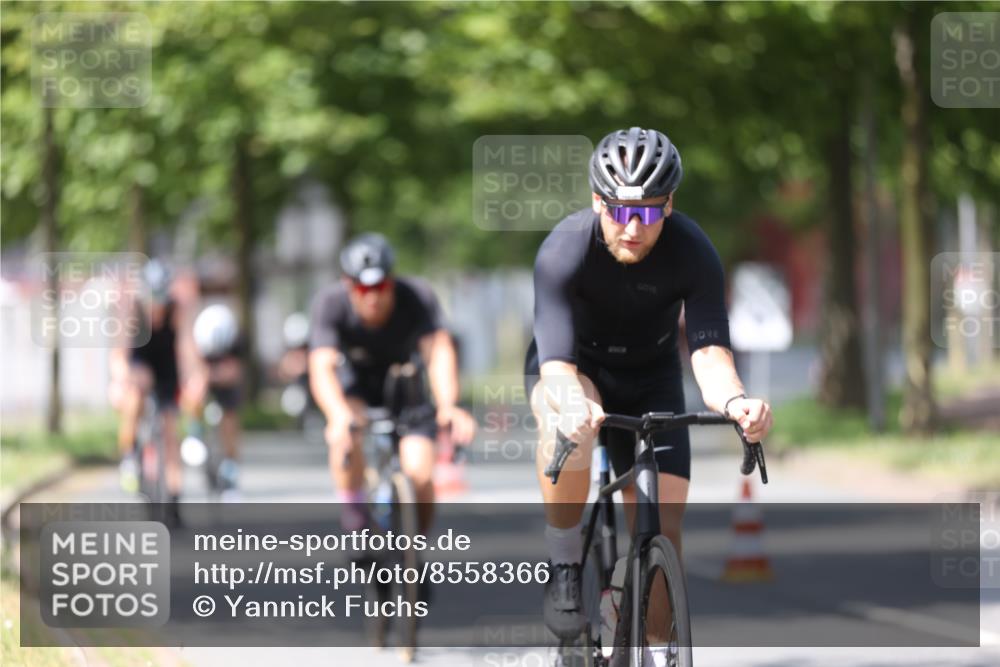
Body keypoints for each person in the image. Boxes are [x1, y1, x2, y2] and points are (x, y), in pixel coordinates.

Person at [525, 127, 774, 660]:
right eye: (619, 212)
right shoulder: (563, 250)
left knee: (664, 526)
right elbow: (558, 368)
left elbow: (709, 355)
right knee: (562, 418)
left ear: (669, 205)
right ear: (597, 202)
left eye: (650, 213)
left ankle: (653, 639)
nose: (633, 228)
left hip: (652, 373)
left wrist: (736, 404)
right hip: (575, 369)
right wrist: (573, 405)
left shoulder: (693, 250)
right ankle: (566, 564)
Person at [308, 233, 476, 535]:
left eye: (381, 286)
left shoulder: (417, 296)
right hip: (356, 387)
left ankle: (412, 550)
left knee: (420, 476)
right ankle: (355, 517)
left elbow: (438, 350)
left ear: (392, 281)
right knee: (344, 436)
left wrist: (449, 405)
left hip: (404, 386)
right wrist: (336, 415)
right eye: (363, 288)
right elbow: (321, 365)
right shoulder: (330, 303)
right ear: (349, 286)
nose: (373, 296)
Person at [115, 259, 195, 523]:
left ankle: (173, 500)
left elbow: (187, 348)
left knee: (171, 433)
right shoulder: (134, 312)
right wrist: (122, 378)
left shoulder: (176, 311)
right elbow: (120, 354)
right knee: (135, 398)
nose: (156, 308)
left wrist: (195, 377)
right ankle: (129, 454)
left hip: (167, 370)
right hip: (141, 366)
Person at [188, 302, 244, 499]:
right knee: (195, 387)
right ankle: (194, 433)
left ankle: (230, 468)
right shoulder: (197, 339)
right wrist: (204, 378)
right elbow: (194, 369)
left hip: (226, 381)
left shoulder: (237, 339)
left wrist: (219, 375)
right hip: (206, 374)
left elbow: (235, 372)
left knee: (229, 417)